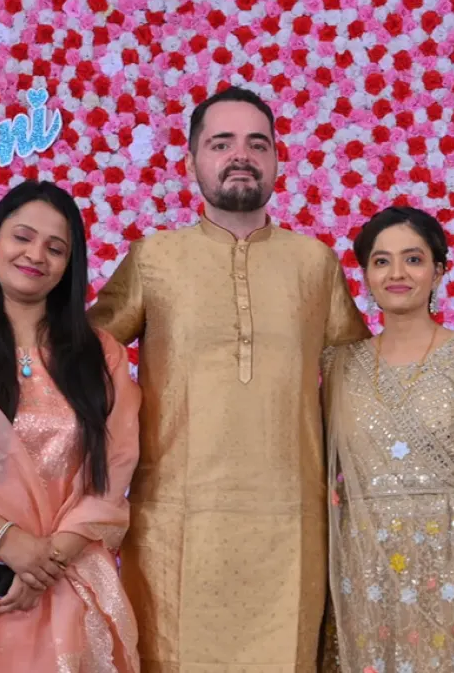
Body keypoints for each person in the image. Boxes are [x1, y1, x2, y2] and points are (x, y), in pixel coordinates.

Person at [88, 86, 369, 673]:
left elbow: (363, 380)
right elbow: (84, 359)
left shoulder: (314, 263)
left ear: (275, 161)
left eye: (256, 143)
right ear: (193, 160)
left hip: (292, 524)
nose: (240, 155)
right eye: (222, 143)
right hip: (176, 528)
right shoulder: (155, 258)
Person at [0, 181, 140, 672]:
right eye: (21, 237)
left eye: (55, 247)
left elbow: (114, 471)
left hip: (63, 577)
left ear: (70, 265)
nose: (35, 255)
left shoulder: (100, 354)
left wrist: (47, 561)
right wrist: (7, 539)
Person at [323, 207, 454, 673]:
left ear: (439, 270)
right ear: (365, 274)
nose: (396, 273)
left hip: (451, 570)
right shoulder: (337, 367)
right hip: (362, 574)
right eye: (381, 260)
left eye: (413, 259)